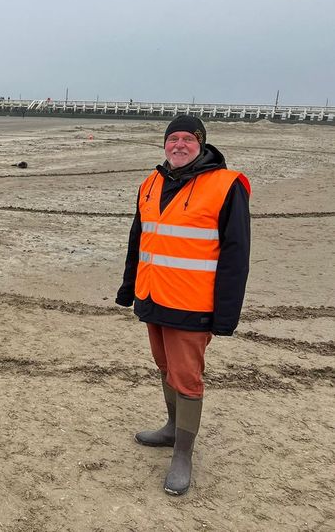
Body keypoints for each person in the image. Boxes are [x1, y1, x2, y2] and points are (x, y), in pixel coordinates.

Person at [116, 115, 250, 496]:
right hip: (153, 295)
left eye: (186, 139)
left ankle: (183, 455)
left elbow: (236, 254)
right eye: (171, 139)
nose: (178, 145)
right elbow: (138, 239)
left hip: (192, 303)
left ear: (201, 143)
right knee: (164, 366)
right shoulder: (151, 181)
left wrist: (226, 315)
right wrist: (129, 289)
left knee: (187, 376)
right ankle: (173, 428)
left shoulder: (226, 186)